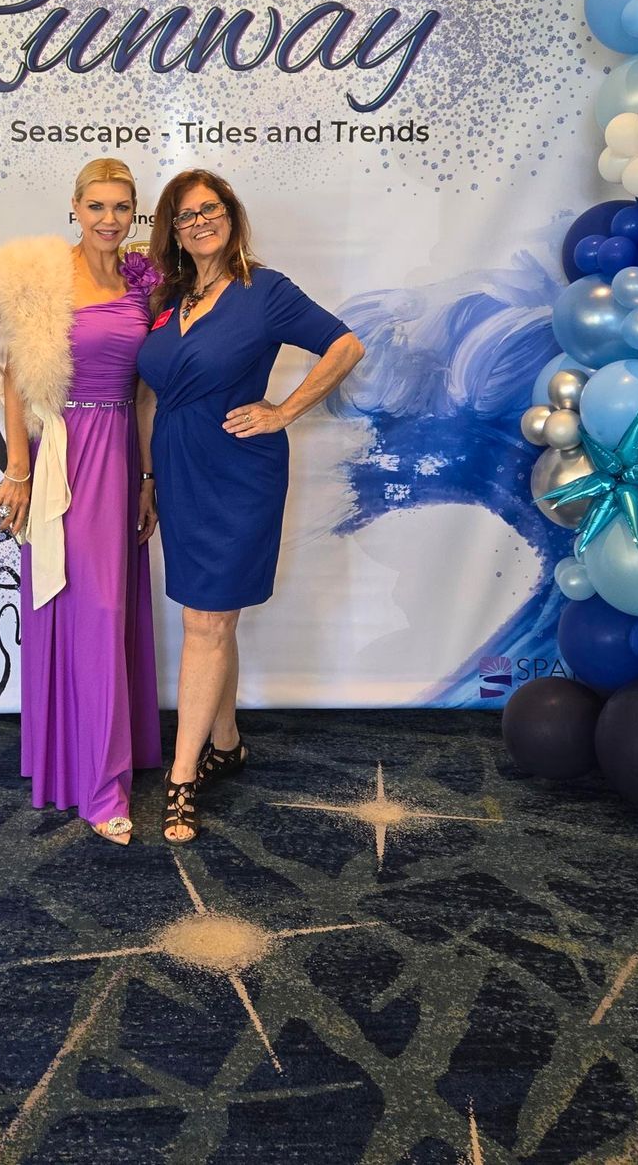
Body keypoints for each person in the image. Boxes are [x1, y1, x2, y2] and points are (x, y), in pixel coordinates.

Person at [137, 169, 364, 842]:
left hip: (239, 471)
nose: (199, 222)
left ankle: (182, 779)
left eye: (210, 209)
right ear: (173, 231)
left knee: (205, 620)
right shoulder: (168, 297)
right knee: (212, 617)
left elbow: (346, 345)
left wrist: (284, 411)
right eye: (185, 215)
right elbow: (148, 394)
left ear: (231, 216)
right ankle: (227, 744)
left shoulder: (265, 290)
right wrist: (147, 476)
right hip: (178, 471)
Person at [0, 158, 162, 844]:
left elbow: (144, 394)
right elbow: (15, 380)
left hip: (119, 452)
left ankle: (101, 763)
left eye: (121, 207)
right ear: (75, 207)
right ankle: (90, 780)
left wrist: (147, 478)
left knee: (108, 612)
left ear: (134, 212)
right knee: (75, 608)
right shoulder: (42, 276)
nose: (109, 220)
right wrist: (19, 470)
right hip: (61, 453)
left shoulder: (146, 281)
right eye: (97, 206)